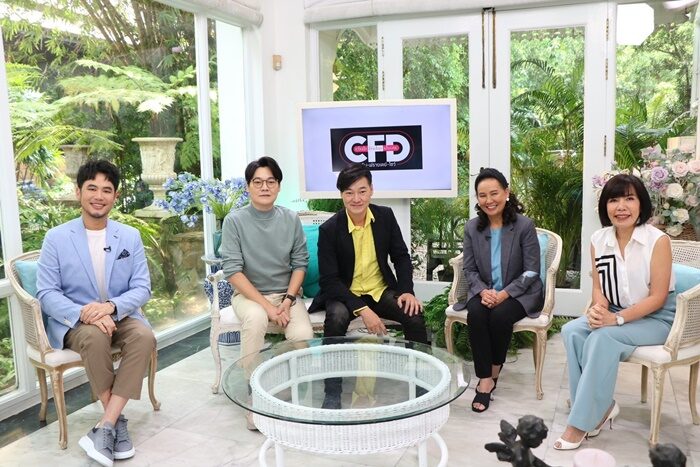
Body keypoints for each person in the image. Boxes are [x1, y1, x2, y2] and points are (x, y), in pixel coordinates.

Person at [37, 159, 155, 467]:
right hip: (76, 321)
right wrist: (85, 314)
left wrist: (111, 308)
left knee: (144, 337)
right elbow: (46, 293)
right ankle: (116, 423)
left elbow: (142, 288)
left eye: (107, 190)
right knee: (94, 337)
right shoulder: (56, 238)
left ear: (115, 196)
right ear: (78, 192)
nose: (99, 196)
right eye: (92, 188)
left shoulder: (129, 236)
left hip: (121, 315)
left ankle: (107, 424)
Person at [554, 174, 675, 450]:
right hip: (616, 310)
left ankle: (579, 423)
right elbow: (599, 287)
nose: (621, 206)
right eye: (614, 200)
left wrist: (615, 319)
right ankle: (600, 408)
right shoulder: (599, 239)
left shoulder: (658, 241)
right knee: (572, 330)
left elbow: (658, 298)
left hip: (656, 318)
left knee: (602, 337)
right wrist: (599, 310)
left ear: (641, 204)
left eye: (629, 198)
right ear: (605, 207)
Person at [309, 163, 428, 409]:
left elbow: (401, 257)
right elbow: (329, 280)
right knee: (336, 318)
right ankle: (332, 392)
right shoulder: (329, 229)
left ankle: (422, 385)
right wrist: (363, 310)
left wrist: (406, 291)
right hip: (344, 293)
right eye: (349, 192)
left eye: (362, 191)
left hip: (379, 289)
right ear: (341, 195)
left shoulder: (385, 217)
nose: (356, 198)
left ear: (371, 190)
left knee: (414, 315)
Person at [219, 156, 314, 428]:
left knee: (302, 334)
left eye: (270, 181)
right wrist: (269, 307)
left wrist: (287, 300)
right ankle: (254, 395)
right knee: (257, 318)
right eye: (257, 182)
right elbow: (233, 272)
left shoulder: (290, 218)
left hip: (286, 296)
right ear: (248, 187)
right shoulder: (235, 221)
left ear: (279, 186)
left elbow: (300, 263)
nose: (264, 187)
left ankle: (282, 387)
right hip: (249, 296)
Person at [462, 168, 543, 413]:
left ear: (506, 192)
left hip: (520, 292)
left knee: (499, 316)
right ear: (477, 198)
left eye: (494, 193)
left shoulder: (524, 225)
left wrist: (504, 294)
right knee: (476, 314)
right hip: (484, 291)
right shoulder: (472, 228)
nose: (489, 200)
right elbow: (469, 269)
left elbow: (532, 270)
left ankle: (494, 371)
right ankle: (485, 378)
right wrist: (482, 291)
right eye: (482, 195)